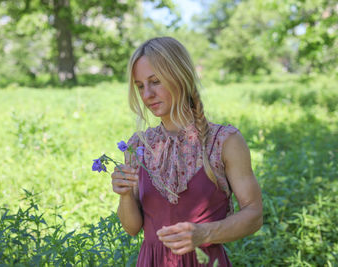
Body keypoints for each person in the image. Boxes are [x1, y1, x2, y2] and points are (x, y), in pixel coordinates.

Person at [111, 37, 263, 267]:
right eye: (140, 86)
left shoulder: (224, 141)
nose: (146, 95)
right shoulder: (139, 145)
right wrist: (124, 195)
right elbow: (132, 228)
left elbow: (254, 215)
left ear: (180, 77)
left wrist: (204, 233)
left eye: (155, 81)